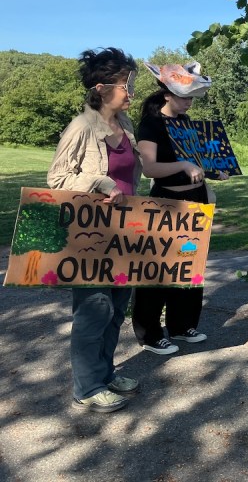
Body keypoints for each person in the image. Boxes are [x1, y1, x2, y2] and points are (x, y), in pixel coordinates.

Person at [47, 47, 142, 413]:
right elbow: (57, 179)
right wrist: (99, 182)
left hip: (126, 232)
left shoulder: (127, 126)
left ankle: (104, 373)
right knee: (93, 309)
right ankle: (86, 388)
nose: (131, 91)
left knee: (117, 308)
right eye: (125, 85)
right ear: (102, 89)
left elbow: (134, 174)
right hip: (90, 236)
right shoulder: (81, 127)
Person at [131, 61, 221, 354]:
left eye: (192, 98)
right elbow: (150, 169)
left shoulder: (188, 124)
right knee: (158, 270)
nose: (189, 103)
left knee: (190, 265)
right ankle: (150, 333)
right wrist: (183, 164)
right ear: (167, 94)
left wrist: (215, 168)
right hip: (166, 202)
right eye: (184, 97)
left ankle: (182, 325)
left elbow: (200, 163)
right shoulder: (151, 123)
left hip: (196, 201)